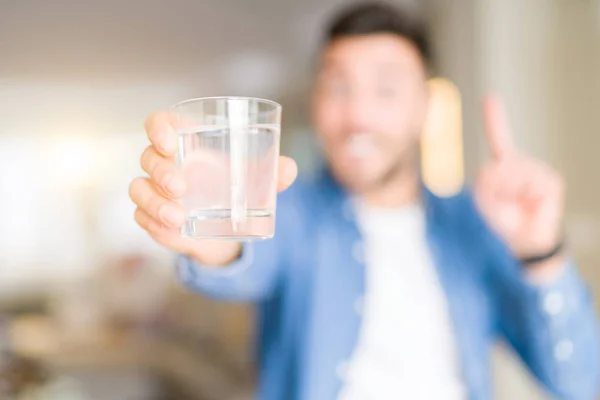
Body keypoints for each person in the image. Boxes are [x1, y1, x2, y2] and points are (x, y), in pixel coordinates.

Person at [128, 2, 600, 399]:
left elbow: (582, 383)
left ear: (424, 108)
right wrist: (212, 235)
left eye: (387, 89)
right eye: (337, 87)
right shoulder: (292, 210)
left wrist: (541, 255)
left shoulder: (474, 225)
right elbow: (245, 257)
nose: (357, 115)